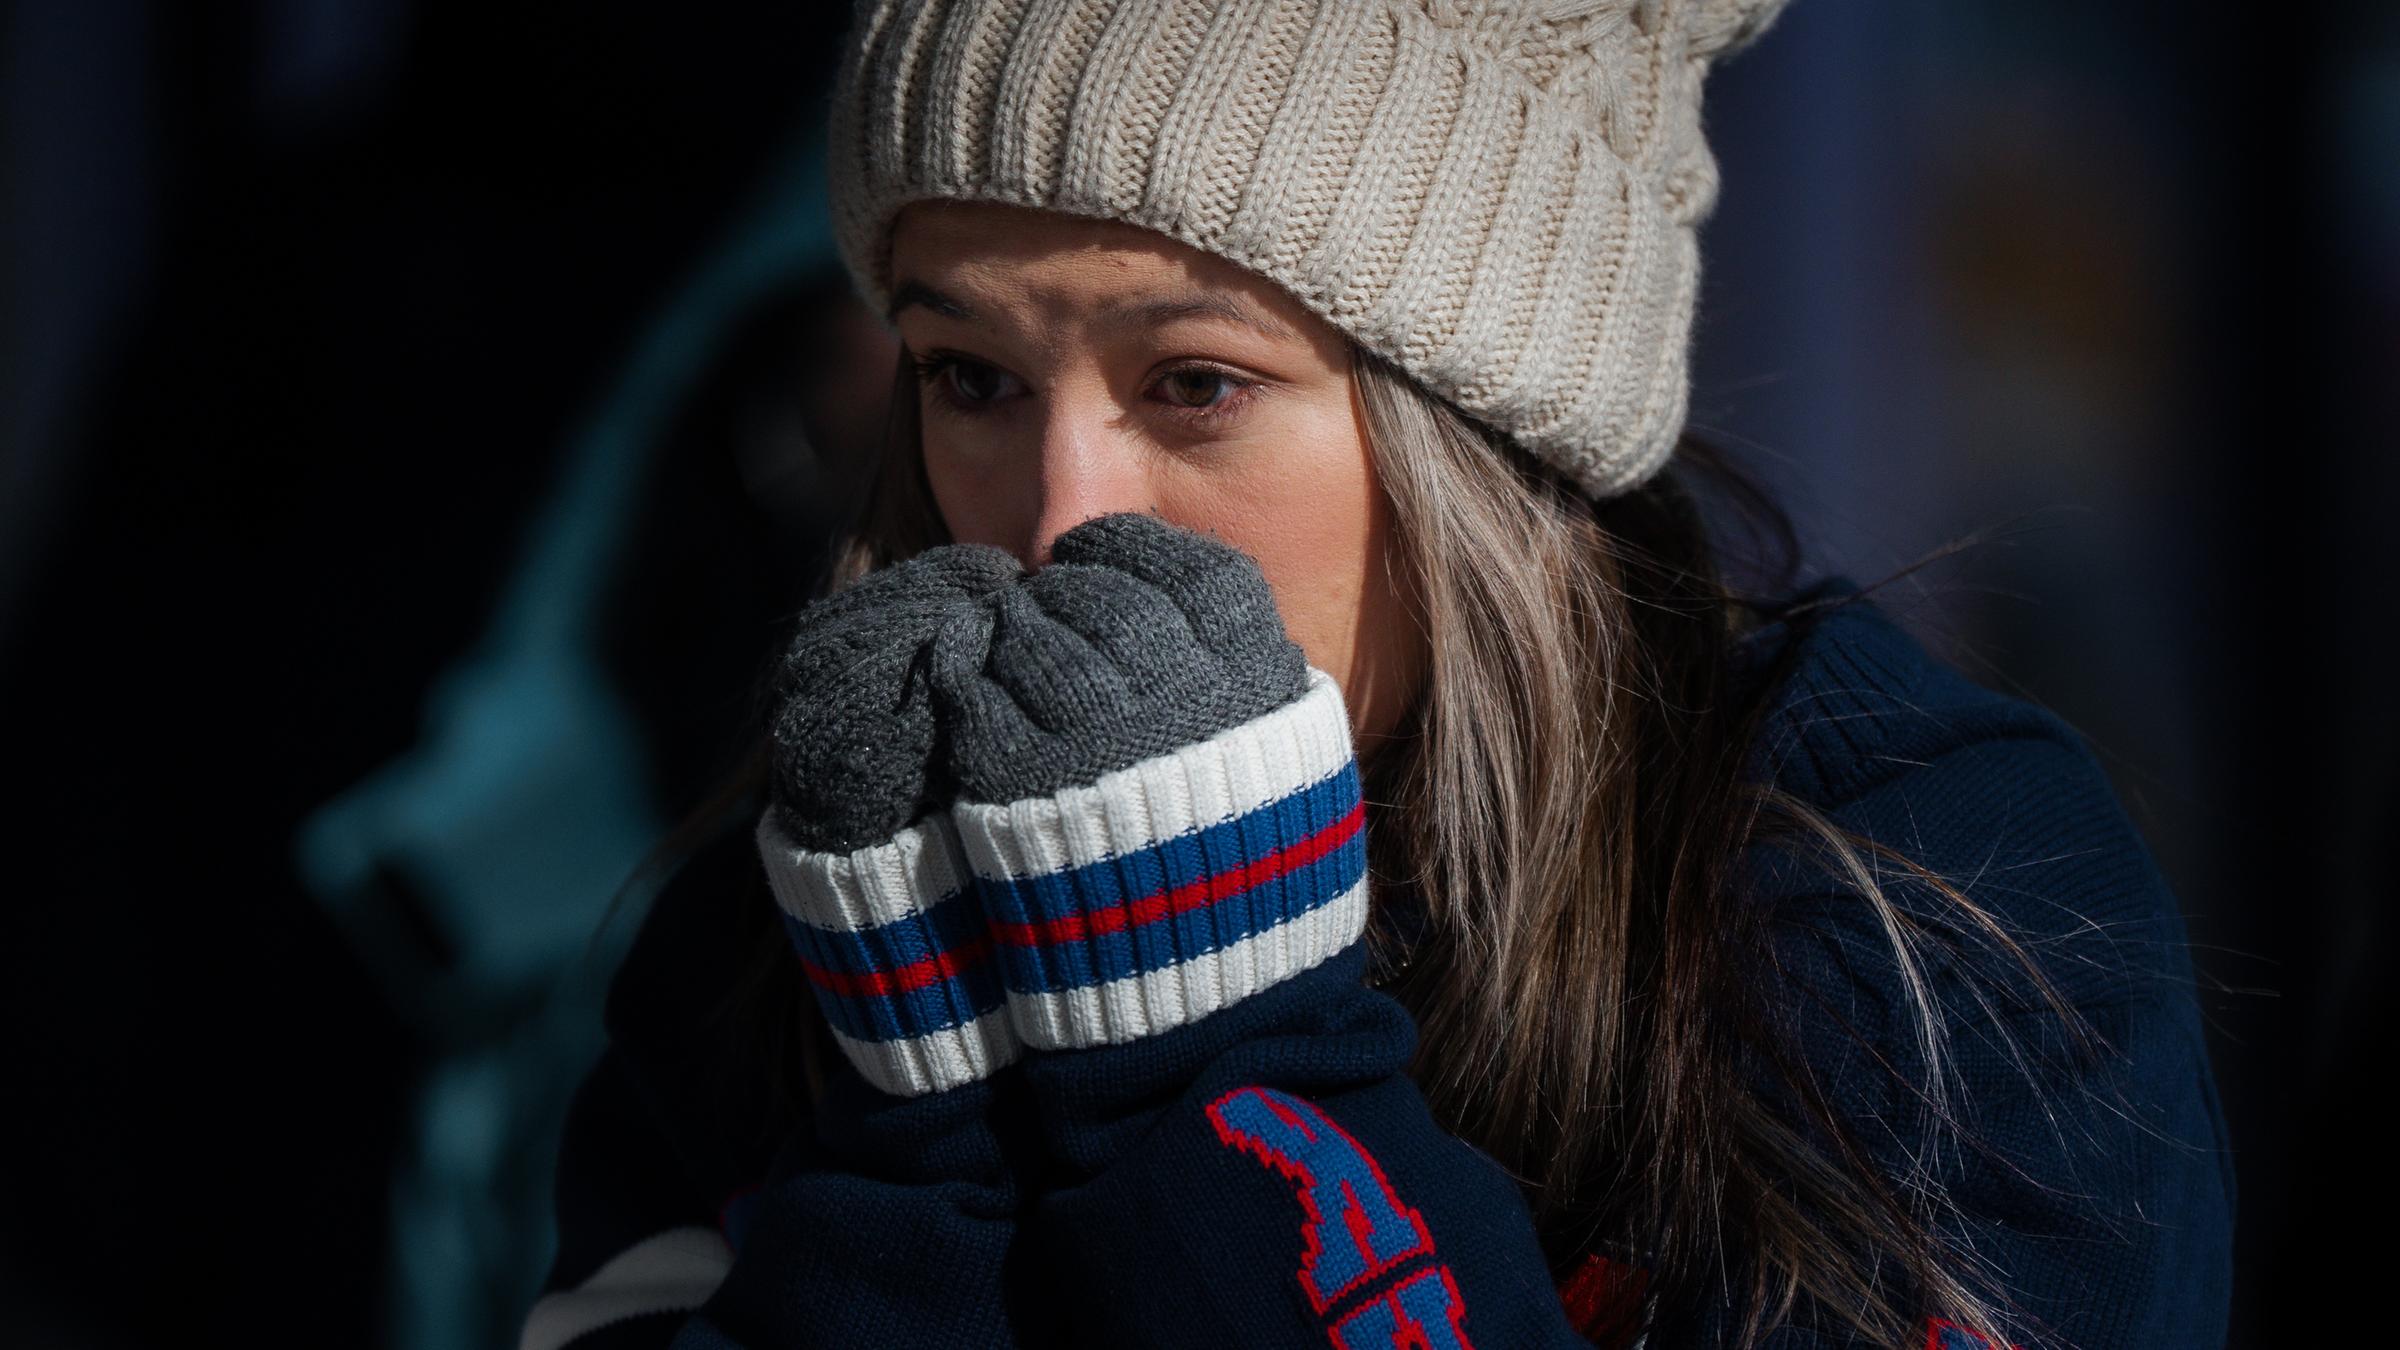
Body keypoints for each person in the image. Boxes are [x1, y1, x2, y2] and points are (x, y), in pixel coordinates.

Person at [520, 2, 2236, 1347]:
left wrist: (1213, 1062)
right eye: (968, 376)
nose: (1054, 522)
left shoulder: (1929, 909)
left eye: (1192, 382)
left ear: (1479, 421)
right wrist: (926, 1128)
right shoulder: (821, 907)